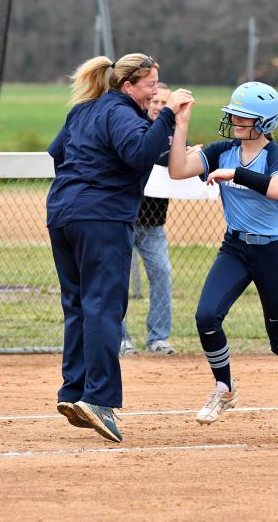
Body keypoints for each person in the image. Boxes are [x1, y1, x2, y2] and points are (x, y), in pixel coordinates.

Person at [47, 53, 193, 443]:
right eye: (150, 87)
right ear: (127, 86)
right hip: (101, 218)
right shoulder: (121, 112)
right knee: (104, 307)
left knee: (78, 304)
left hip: (63, 215)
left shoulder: (84, 110)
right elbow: (139, 154)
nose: (154, 93)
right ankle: (98, 399)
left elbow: (56, 153)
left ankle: (73, 391)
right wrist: (167, 117)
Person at [167, 81, 278, 440]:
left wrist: (236, 174)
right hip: (236, 248)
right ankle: (225, 387)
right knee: (206, 316)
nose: (234, 120)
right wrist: (181, 123)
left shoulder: (275, 155)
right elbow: (177, 170)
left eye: (243, 116)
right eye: (233, 113)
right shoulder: (222, 150)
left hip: (273, 251)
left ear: (264, 123)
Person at [119, 82, 176, 357]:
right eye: (155, 101)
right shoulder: (134, 127)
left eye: (165, 104)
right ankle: (120, 338)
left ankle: (158, 338)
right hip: (124, 219)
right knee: (116, 280)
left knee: (162, 275)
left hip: (153, 223)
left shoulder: (173, 134)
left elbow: (176, 166)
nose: (159, 107)